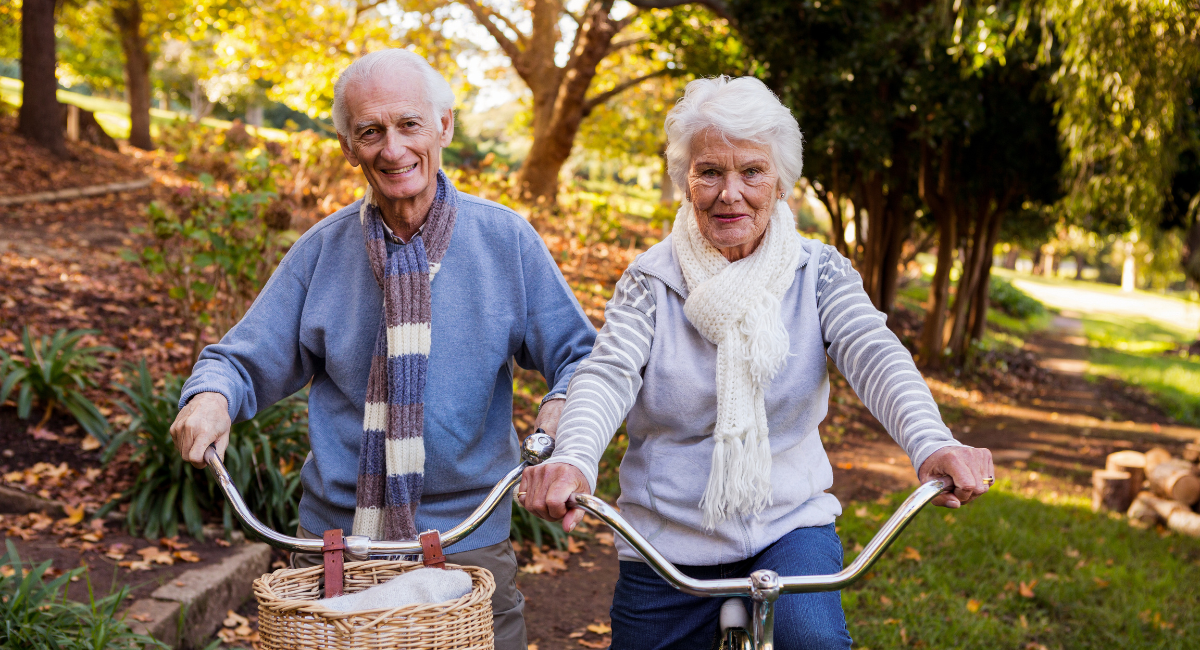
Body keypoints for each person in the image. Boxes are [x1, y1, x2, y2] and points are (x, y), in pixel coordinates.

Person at [519, 76, 994, 650]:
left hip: (787, 524)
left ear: (780, 182)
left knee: (813, 643)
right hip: (665, 537)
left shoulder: (818, 273)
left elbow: (875, 353)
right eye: (710, 171)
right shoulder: (651, 280)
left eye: (752, 171)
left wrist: (932, 442)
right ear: (685, 179)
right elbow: (608, 372)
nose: (730, 193)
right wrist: (573, 459)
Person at [169, 49, 596, 650]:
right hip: (335, 549)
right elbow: (237, 360)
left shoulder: (505, 241)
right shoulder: (322, 251)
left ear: (444, 125)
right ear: (349, 146)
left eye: (409, 125)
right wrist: (211, 398)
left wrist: (560, 405)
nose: (392, 150)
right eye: (370, 132)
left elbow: (582, 357)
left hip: (467, 547)